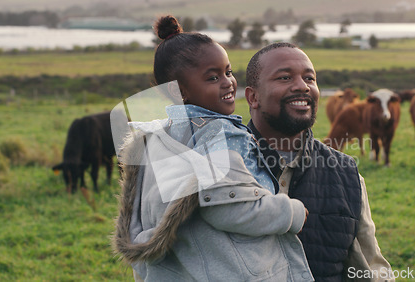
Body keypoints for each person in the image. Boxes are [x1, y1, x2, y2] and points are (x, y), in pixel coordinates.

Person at [113, 16, 314, 281]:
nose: (228, 82)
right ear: (181, 92)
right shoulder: (222, 134)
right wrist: (292, 212)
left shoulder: (157, 137)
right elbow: (229, 208)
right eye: (212, 77)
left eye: (228, 72)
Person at [244, 42, 395, 282]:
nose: (302, 86)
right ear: (253, 97)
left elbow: (371, 268)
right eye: (284, 78)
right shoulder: (222, 166)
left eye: (310, 78)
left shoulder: (348, 176)